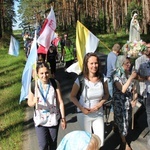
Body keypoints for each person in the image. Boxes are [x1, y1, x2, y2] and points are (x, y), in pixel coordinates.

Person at [70, 53, 109, 148]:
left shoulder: (102, 78)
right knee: (87, 143)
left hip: (98, 114)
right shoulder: (80, 80)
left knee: (99, 142)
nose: (94, 66)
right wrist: (81, 108)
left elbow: (107, 94)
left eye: (96, 63)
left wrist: (99, 105)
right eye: (91, 63)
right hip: (84, 114)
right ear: (86, 64)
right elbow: (72, 96)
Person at [27, 62, 67, 150]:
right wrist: (33, 102)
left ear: (49, 72)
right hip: (40, 120)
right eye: (41, 73)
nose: (44, 75)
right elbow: (29, 102)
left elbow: (60, 102)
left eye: (46, 72)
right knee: (43, 145)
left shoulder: (54, 83)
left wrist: (63, 118)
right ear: (37, 73)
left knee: (53, 144)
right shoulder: (33, 85)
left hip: (53, 119)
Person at [113, 55, 137, 150]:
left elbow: (134, 89)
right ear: (121, 64)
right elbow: (122, 89)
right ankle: (124, 143)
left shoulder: (129, 73)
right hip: (120, 104)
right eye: (126, 63)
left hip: (128, 104)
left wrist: (135, 99)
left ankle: (116, 126)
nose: (129, 64)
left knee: (125, 121)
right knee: (123, 123)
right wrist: (131, 78)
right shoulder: (116, 75)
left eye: (129, 63)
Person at [135, 43, 150, 137]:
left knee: (145, 108)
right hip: (146, 90)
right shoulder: (139, 60)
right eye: (147, 47)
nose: (148, 49)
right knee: (148, 111)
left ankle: (136, 117)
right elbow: (136, 76)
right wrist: (146, 78)